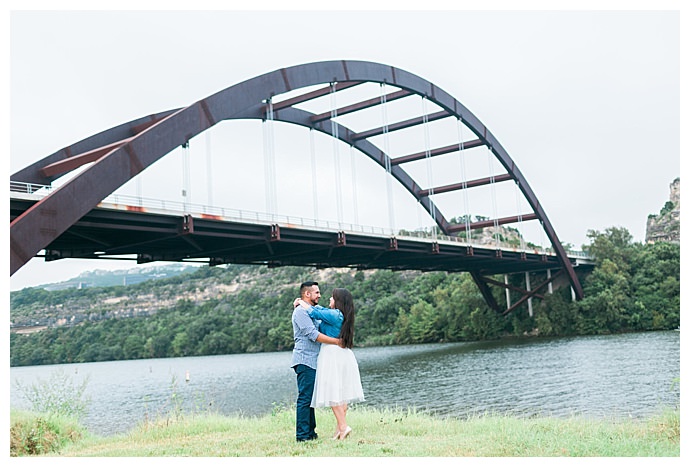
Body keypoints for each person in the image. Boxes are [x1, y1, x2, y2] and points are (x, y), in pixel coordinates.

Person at [295, 287, 365, 441]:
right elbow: (319, 310)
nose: (329, 300)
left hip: (332, 354)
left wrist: (300, 302)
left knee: (332, 391)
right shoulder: (341, 315)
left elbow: (314, 312)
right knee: (341, 393)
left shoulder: (334, 314)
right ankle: (339, 431)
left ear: (338, 301)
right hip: (343, 355)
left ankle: (343, 426)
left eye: (332, 298)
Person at [291, 281, 342, 442]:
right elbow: (313, 335)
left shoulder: (310, 311)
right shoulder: (300, 312)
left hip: (314, 360)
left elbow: (323, 318)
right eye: (317, 292)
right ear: (307, 294)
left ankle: (311, 433)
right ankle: (302, 436)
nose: (320, 295)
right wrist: (336, 342)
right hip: (305, 360)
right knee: (305, 398)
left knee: (311, 398)